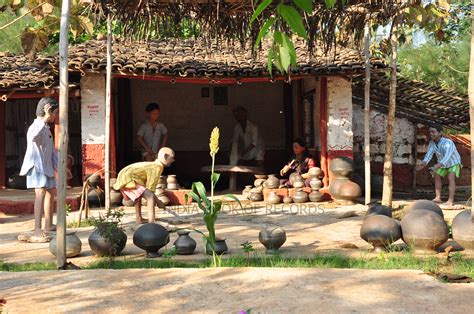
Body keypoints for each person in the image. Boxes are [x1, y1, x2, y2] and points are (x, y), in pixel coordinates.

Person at [19, 97, 59, 241]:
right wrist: (45, 119)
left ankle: (48, 224)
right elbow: (33, 137)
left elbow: (52, 151)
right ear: (48, 112)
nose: (55, 116)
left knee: (50, 193)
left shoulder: (47, 129)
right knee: (40, 194)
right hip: (36, 166)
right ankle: (37, 228)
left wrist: (59, 167)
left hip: (46, 167)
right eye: (55, 113)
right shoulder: (35, 126)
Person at [113, 147, 175, 224]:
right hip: (127, 178)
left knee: (138, 196)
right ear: (165, 156)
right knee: (150, 196)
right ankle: (152, 222)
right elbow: (150, 191)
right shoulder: (157, 167)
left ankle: (139, 219)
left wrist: (158, 202)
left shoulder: (155, 165)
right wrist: (158, 202)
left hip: (126, 176)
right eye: (172, 158)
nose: (173, 160)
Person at [416, 124, 462, 206]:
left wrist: (436, 166)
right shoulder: (432, 143)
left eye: (433, 132)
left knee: (450, 177)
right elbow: (428, 155)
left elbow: (447, 156)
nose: (431, 134)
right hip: (441, 163)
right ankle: (438, 198)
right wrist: (423, 164)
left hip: (453, 162)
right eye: (430, 132)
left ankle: (450, 200)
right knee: (437, 176)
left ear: (440, 133)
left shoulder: (448, 142)